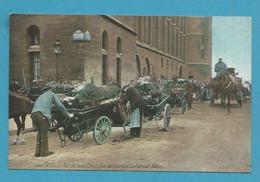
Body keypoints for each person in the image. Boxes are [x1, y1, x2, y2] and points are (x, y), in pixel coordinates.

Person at [31, 87, 73, 157]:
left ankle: (37, 152)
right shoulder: (51, 94)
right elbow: (59, 105)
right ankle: (44, 152)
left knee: (39, 133)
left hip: (33, 114)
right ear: (49, 90)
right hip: (42, 115)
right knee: (44, 134)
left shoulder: (40, 96)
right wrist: (67, 113)